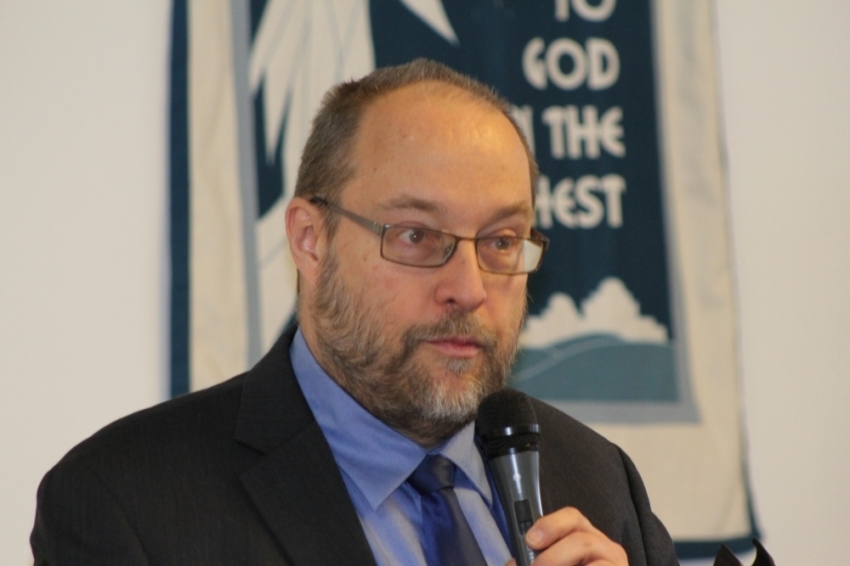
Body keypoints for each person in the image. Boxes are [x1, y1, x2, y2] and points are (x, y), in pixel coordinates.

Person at [31, 59, 677, 566]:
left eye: (501, 242)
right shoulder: (127, 502)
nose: (469, 288)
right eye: (417, 237)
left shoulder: (600, 484)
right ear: (311, 240)